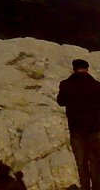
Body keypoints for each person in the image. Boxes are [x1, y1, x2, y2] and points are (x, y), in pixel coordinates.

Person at [58, 59, 100, 190]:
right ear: (87, 69)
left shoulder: (66, 84)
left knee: (81, 163)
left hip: (77, 130)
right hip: (95, 130)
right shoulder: (97, 86)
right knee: (96, 162)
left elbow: (61, 101)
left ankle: (85, 188)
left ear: (74, 69)